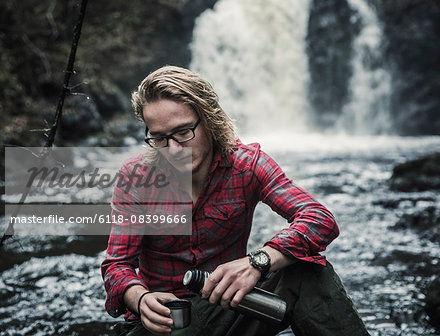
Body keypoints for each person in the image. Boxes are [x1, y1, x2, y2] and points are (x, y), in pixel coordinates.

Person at [101, 65, 369, 336]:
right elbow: (116, 265)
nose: (173, 149)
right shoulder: (136, 178)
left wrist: (259, 261)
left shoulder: (247, 165)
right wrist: (140, 298)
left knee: (308, 271)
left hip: (231, 310)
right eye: (159, 138)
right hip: (165, 326)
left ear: (209, 120)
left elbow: (319, 218)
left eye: (183, 133)